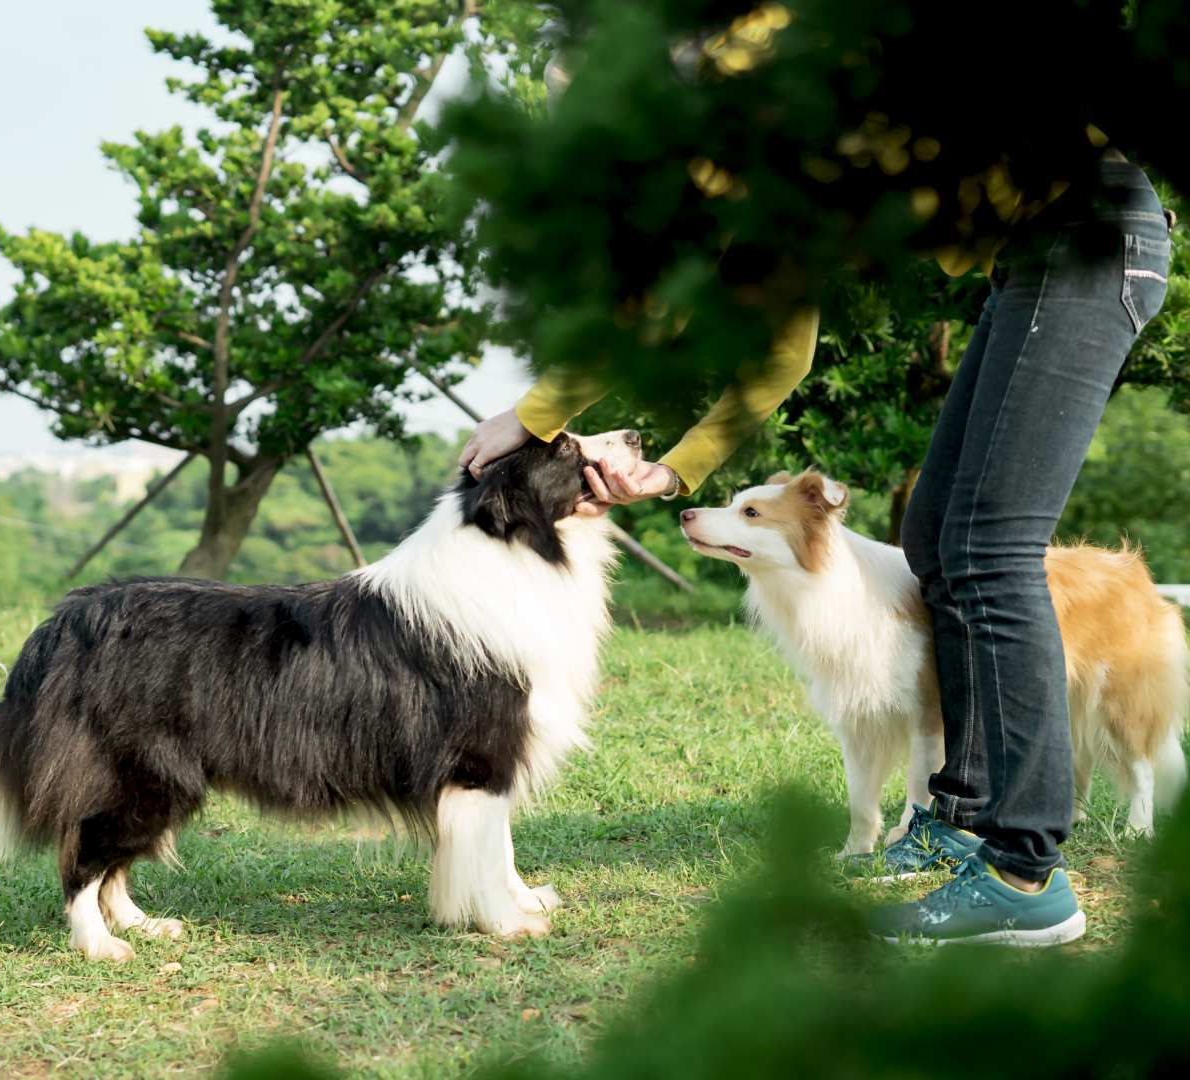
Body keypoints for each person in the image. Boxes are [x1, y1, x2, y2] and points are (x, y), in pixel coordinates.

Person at [464, 15, 1174, 946]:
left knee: (989, 548)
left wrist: (535, 415)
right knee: (937, 539)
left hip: (1090, 236)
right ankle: (961, 820)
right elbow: (780, 349)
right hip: (1031, 265)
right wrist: (679, 467)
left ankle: (1025, 869)